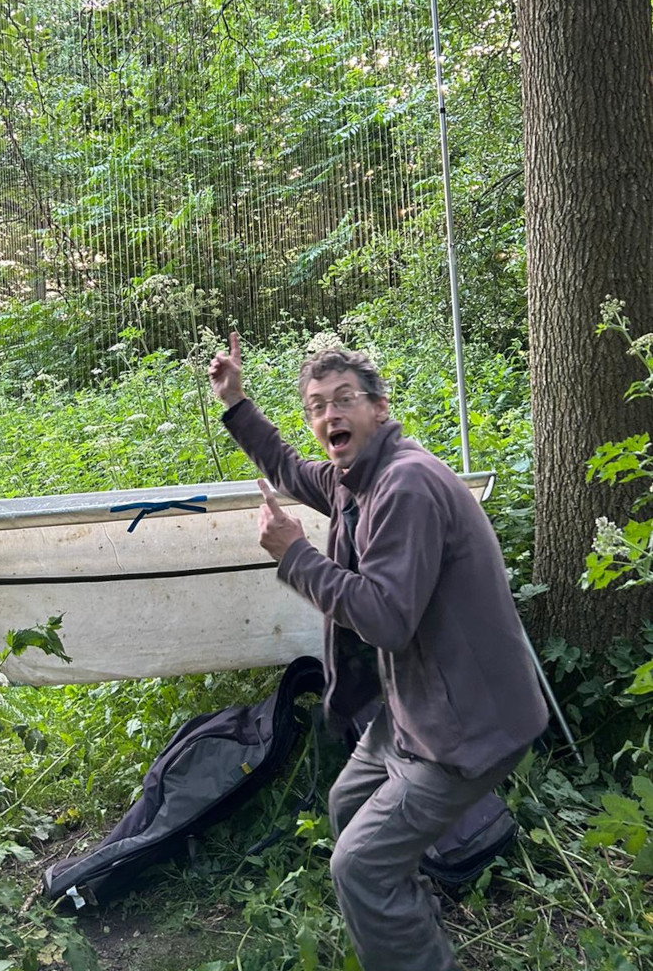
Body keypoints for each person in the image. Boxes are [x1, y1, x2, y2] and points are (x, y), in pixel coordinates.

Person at [207, 333, 548, 971]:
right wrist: (236, 403)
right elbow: (286, 467)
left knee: (359, 865)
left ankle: (409, 946)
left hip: (466, 726)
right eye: (316, 407)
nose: (329, 415)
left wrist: (295, 555)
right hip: (417, 705)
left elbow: (387, 620)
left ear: (379, 409)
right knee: (349, 804)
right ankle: (406, 920)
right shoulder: (354, 476)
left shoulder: (404, 486)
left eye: (343, 401)